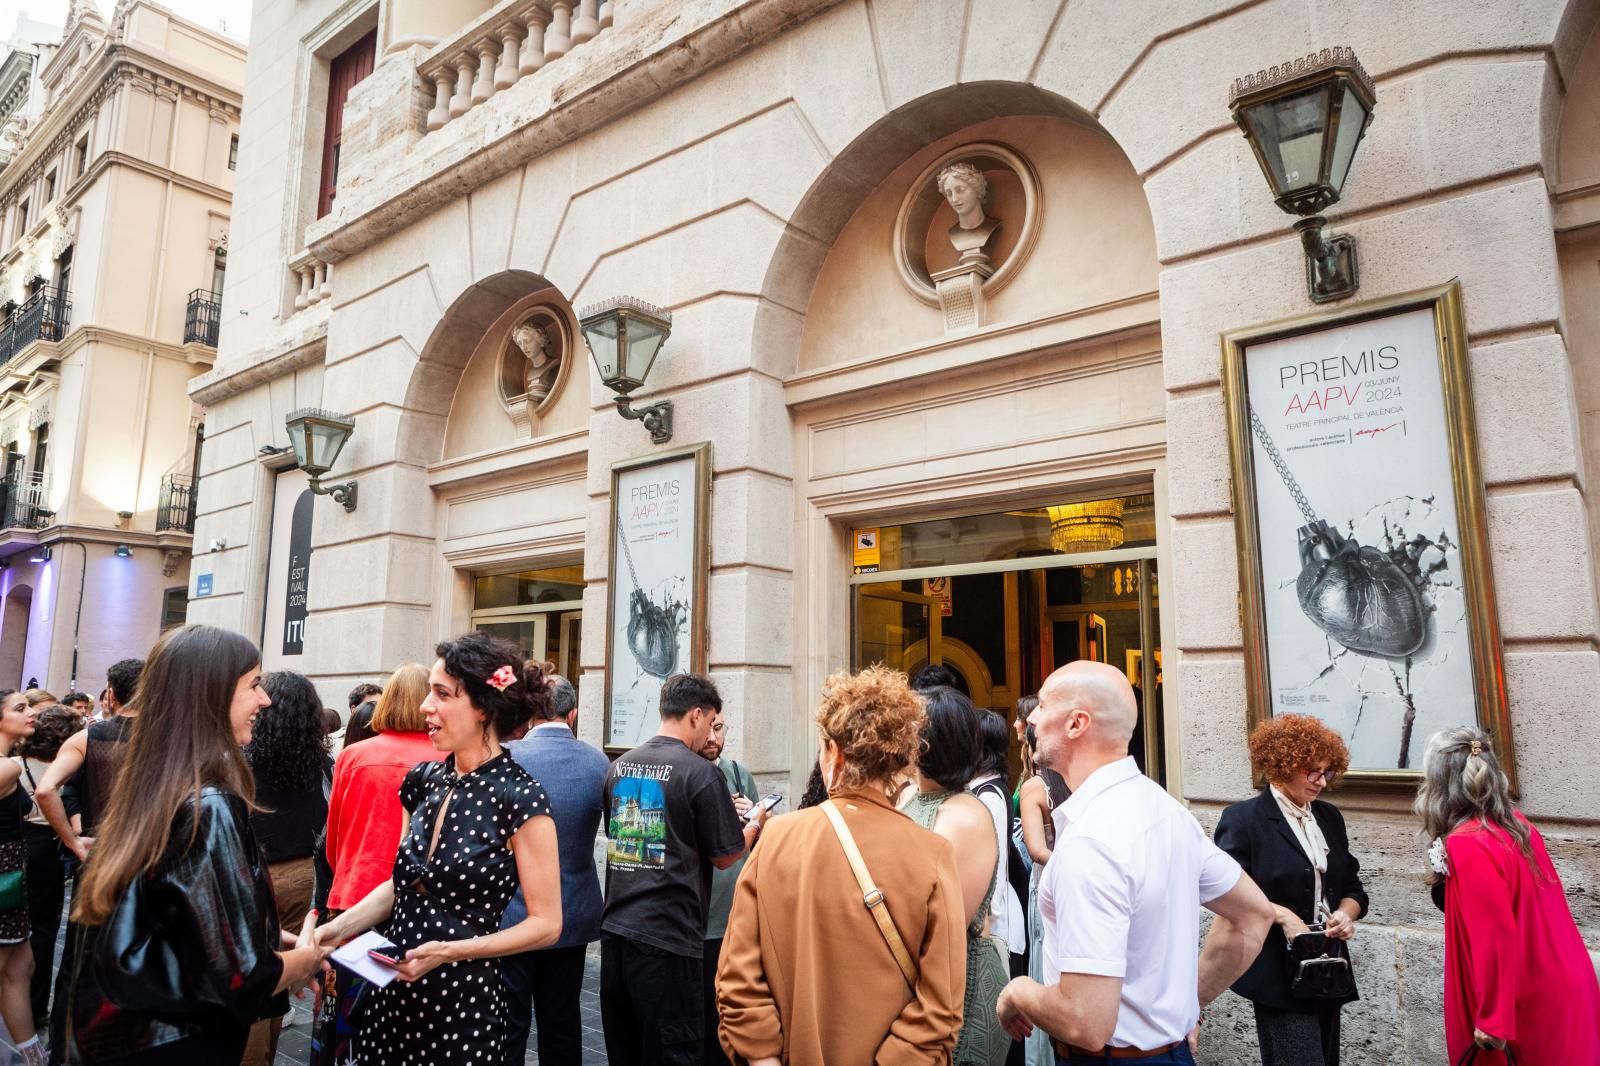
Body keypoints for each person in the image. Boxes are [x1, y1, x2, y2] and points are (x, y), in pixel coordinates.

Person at [63, 625, 326, 1063]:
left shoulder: (156, 786)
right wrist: (309, 957)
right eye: (255, 685)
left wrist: (266, 933)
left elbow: (180, 912)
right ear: (211, 694)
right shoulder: (211, 803)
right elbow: (241, 976)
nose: (265, 700)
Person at [995, 661, 1275, 1065]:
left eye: (1041, 704)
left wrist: (1017, 990)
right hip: (1171, 1054)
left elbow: (1085, 1022)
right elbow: (1254, 913)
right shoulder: (1167, 811)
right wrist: (1183, 1006)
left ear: (1077, 723)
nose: (1031, 718)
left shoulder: (1092, 838)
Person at [313, 634, 562, 1065]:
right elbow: (403, 882)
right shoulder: (424, 778)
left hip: (463, 1007)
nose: (426, 706)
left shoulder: (521, 797)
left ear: (484, 708)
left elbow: (546, 923)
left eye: (442, 694)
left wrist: (449, 952)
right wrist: (333, 930)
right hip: (391, 993)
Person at [717, 665, 965, 1064]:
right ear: (900, 758)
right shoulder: (932, 854)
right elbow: (941, 1009)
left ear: (835, 752)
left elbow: (738, 977)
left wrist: (763, 1056)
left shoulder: (778, 838)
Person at [600, 673, 766, 1066]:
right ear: (695, 715)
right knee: (673, 1051)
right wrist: (755, 824)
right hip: (669, 938)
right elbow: (726, 856)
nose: (710, 734)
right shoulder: (700, 773)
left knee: (625, 1049)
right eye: (710, 723)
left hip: (616, 932)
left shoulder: (619, 766)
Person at [1416, 726, 1600, 1063]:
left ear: (1440, 784)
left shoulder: (1467, 842)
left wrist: (1493, 1018)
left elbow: (1495, 934)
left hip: (1523, 996)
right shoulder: (1517, 825)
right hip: (1564, 979)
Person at [1212, 715, 1367, 1066]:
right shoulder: (1243, 819)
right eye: (1313, 770)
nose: (1322, 782)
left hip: (1327, 965)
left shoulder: (1328, 817)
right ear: (1283, 764)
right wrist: (1283, 916)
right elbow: (1226, 893)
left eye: (1328, 772)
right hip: (1276, 971)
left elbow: (1353, 886)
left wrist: (1345, 914)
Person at [35, 658, 142, 1064]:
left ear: (111, 694)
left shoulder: (88, 736)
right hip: (146, 862)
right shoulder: (166, 739)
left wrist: (74, 842)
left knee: (77, 961)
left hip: (98, 862)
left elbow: (46, 790)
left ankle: (65, 1049)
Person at [498, 674, 608, 1066]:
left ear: (531, 712)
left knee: (509, 1023)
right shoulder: (597, 762)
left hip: (512, 913)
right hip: (572, 911)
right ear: (573, 714)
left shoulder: (506, 757)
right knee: (562, 1019)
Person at [897, 685, 1006, 1066]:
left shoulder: (964, 815)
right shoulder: (909, 795)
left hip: (958, 986)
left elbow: (945, 924)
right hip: (914, 980)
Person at [242, 670, 334, 1065]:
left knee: (250, 973)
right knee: (276, 976)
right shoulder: (321, 762)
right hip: (299, 873)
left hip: (252, 872)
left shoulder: (240, 759)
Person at [322, 664, 443, 915]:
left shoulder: (351, 756)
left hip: (355, 887)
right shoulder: (448, 758)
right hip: (422, 896)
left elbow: (334, 834)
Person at [698, 703, 759, 1066]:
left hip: (734, 914)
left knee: (729, 1008)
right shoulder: (688, 773)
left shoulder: (738, 773)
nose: (713, 738)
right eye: (709, 728)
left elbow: (759, 842)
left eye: (720, 729)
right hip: (700, 916)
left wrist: (754, 815)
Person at [14, 706, 80, 1029]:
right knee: (44, 929)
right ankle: (35, 1003)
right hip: (49, 846)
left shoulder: (17, 764)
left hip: (16, 843)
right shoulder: (66, 771)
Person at [0, 690, 42, 1065]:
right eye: (20, 708)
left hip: (10, 876)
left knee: (20, 964)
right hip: (2, 877)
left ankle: (32, 1055)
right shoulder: (8, 767)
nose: (31, 713)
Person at [340, 682, 383, 750]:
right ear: (354, 709)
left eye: (382, 705)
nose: (378, 710)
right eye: (371, 705)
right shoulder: (334, 744)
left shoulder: (388, 739)